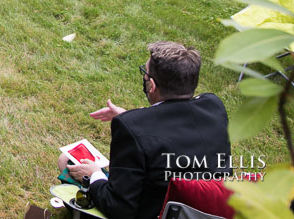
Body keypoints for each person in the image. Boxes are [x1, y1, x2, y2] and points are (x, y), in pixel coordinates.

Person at [59, 42, 231, 219]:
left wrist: (94, 175)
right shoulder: (214, 106)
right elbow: (177, 129)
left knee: (66, 160)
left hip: (153, 212)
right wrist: (133, 116)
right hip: (209, 209)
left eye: (145, 73)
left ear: (152, 85)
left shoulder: (130, 129)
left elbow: (119, 208)